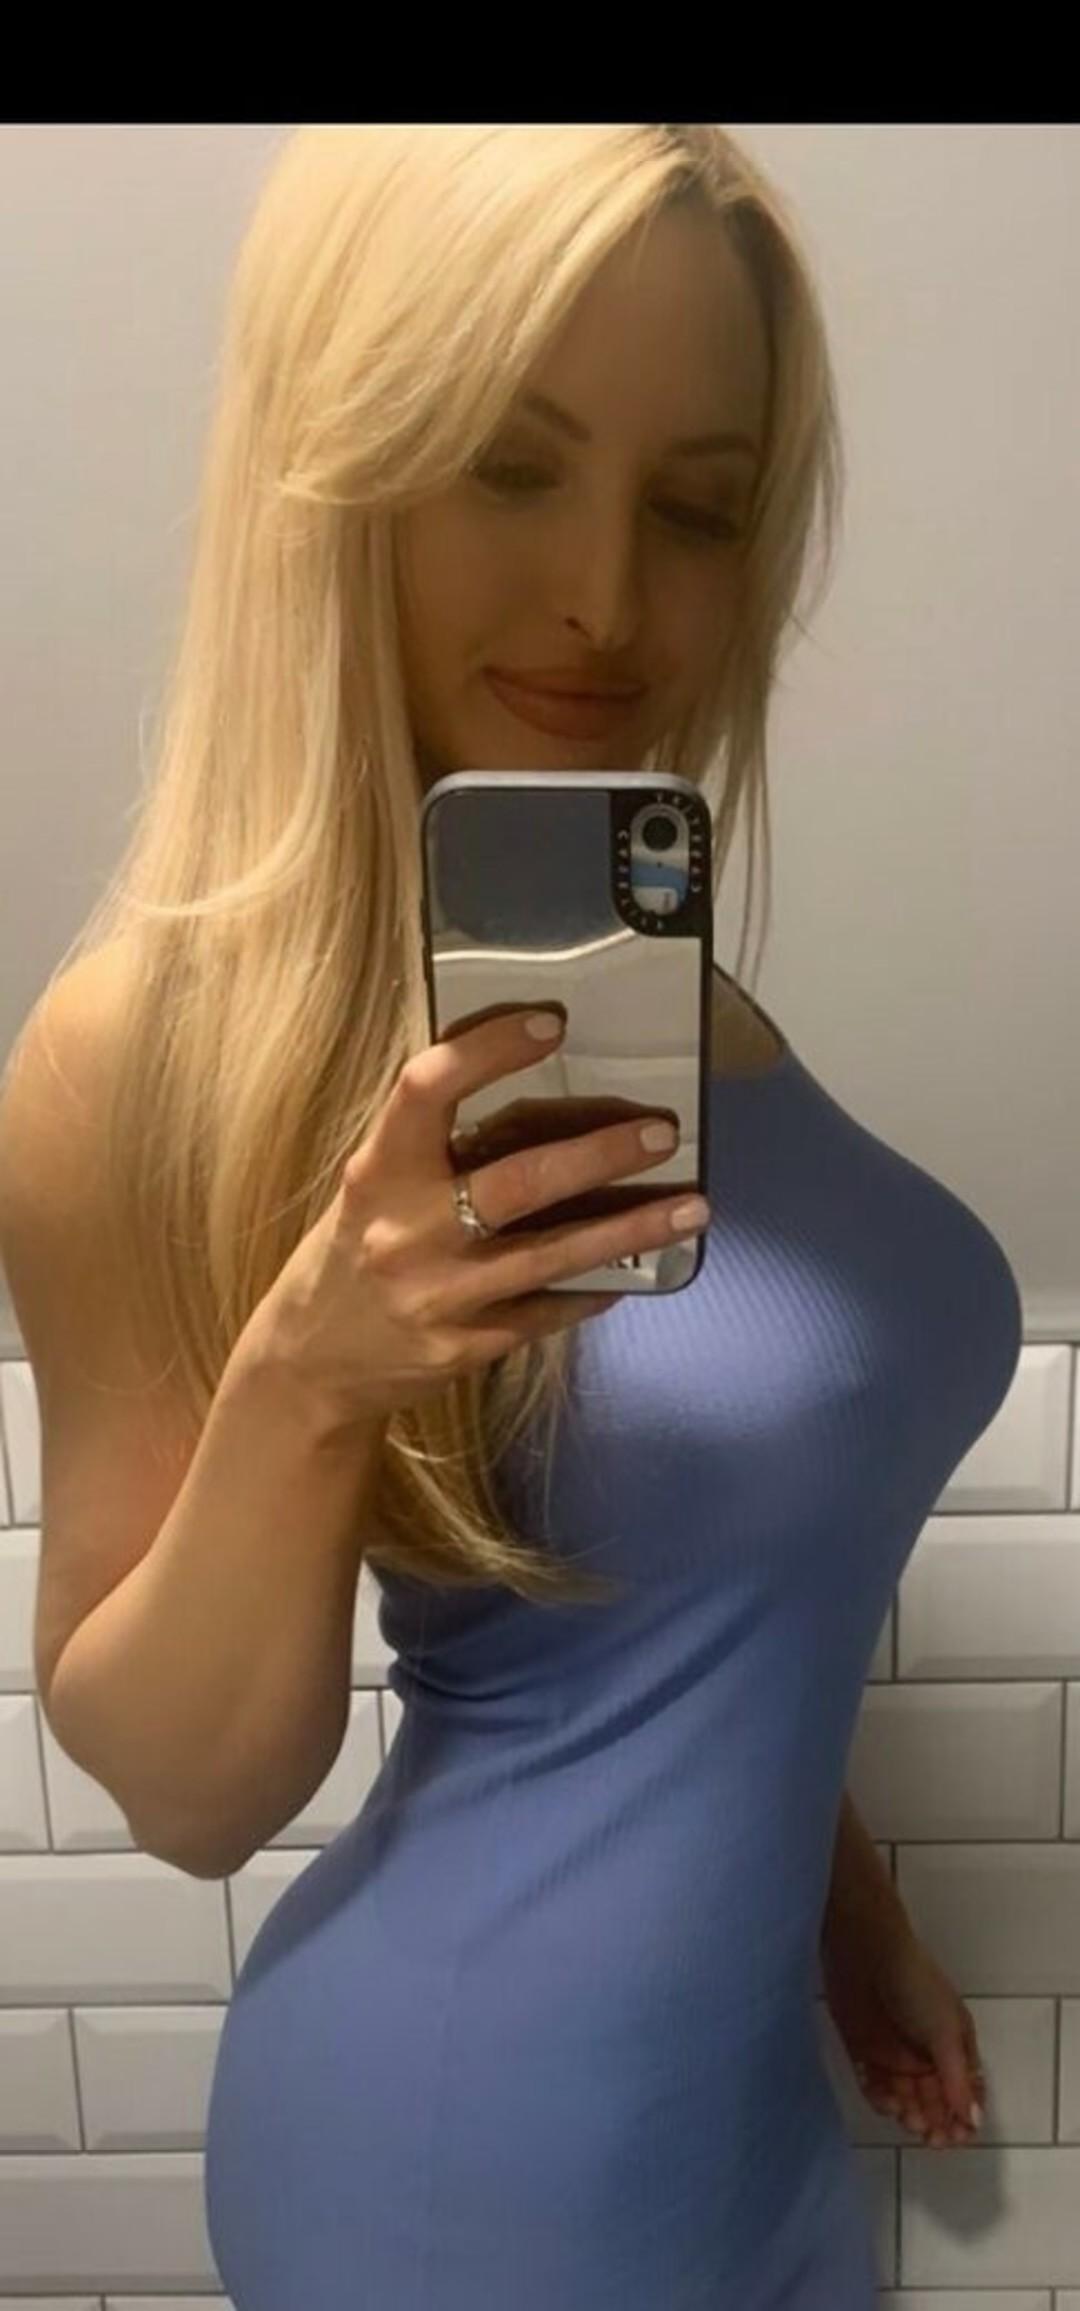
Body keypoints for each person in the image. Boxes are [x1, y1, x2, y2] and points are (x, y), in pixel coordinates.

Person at [0, 127, 1021, 2307]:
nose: (607, 598)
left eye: (697, 506)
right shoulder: (139, 1047)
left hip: (746, 2124)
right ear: (337, 468)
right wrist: (311, 1370)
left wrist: (850, 1913)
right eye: (508, 465)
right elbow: (185, 1795)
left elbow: (701, 1566)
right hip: (467, 2166)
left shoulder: (636, 989)